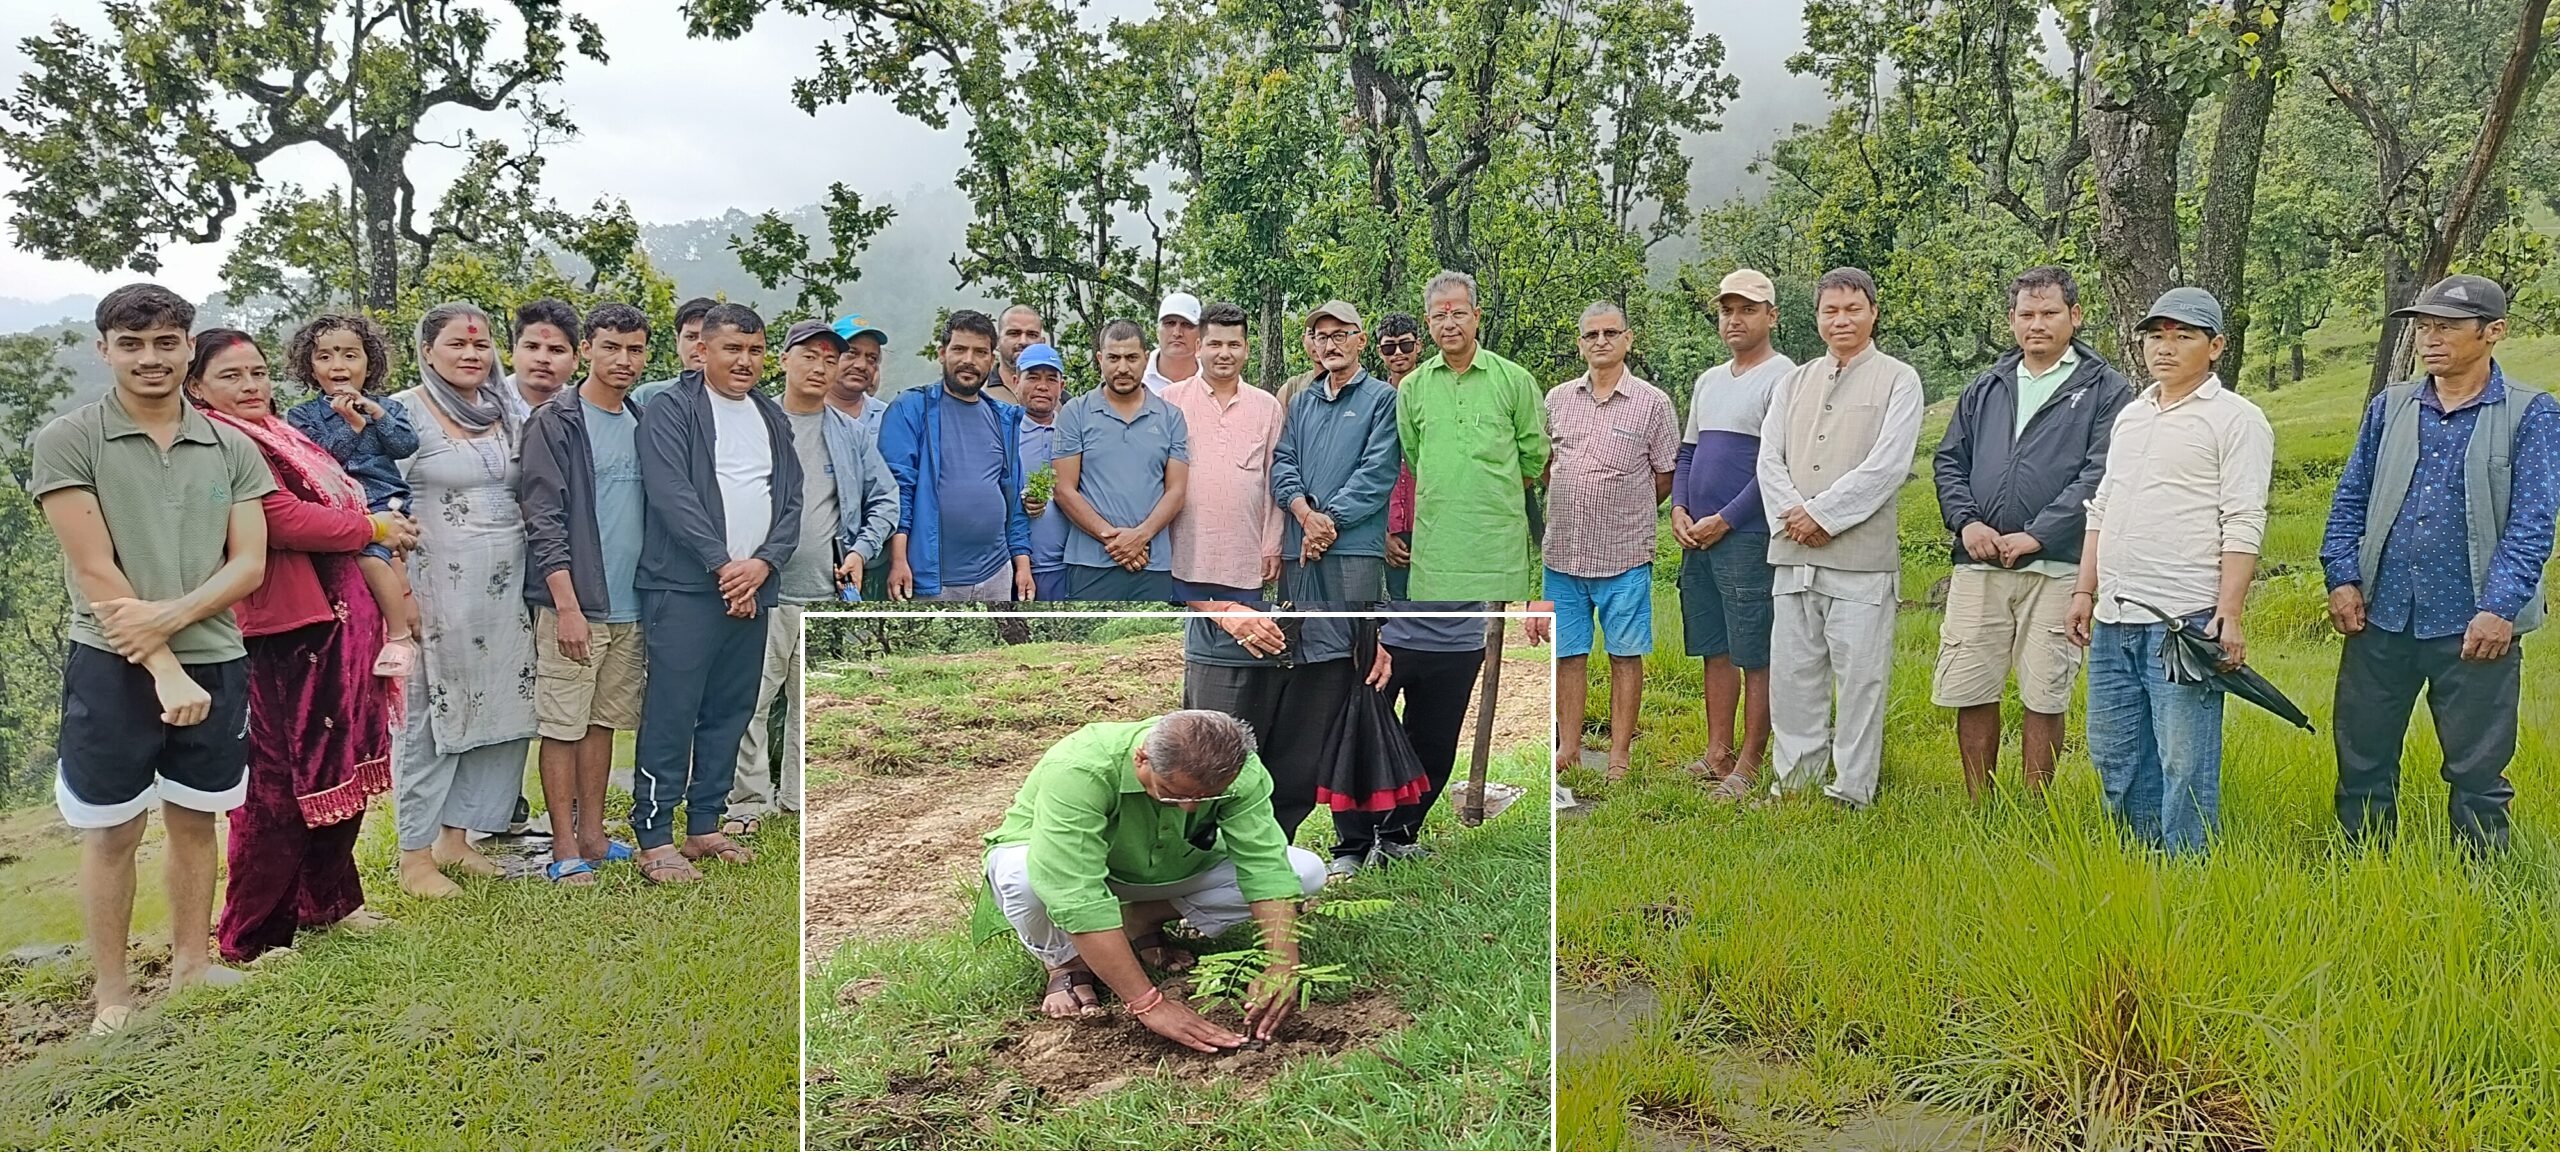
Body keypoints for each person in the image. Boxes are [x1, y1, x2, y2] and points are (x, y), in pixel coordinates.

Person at [35, 284, 274, 1032]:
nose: (150, 358)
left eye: (166, 342)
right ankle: (112, 994)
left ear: (186, 349)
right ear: (104, 349)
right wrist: (162, 664)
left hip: (216, 655)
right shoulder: (69, 440)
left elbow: (249, 565)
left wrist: (173, 621)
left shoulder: (230, 443)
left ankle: (192, 965)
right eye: (131, 344)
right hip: (112, 659)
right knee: (113, 828)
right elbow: (96, 569)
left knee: (198, 817)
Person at [183, 330, 410, 959]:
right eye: (232, 377)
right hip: (281, 631)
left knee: (342, 766)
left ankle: (329, 902)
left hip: (338, 620)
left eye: (258, 373)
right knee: (279, 788)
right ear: (197, 387)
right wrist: (372, 526)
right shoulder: (213, 442)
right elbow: (281, 520)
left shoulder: (280, 432)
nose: (252, 386)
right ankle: (253, 935)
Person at [2321, 274, 2557, 853]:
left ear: (2493, 332)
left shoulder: (2531, 413)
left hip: (2475, 625)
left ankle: (2481, 881)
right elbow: (2351, 495)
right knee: (2363, 757)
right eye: (2424, 326)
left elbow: (2533, 521)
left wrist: (2500, 608)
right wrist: (2342, 576)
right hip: (2382, 614)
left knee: (2478, 773)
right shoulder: (2392, 406)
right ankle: (2362, 870)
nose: (2430, 338)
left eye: (2447, 327)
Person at [979, 710, 1328, 1048]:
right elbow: (1073, 891)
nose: (1190, 809)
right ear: (1141, 758)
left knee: (1305, 872)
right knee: (1022, 877)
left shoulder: (1239, 769)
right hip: (1072, 866)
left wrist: (1283, 965)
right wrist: (1149, 1003)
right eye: (1173, 792)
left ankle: (1143, 917)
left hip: (1171, 862)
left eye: (1206, 799)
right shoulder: (1080, 767)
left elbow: (1265, 866)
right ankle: (1065, 963)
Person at [2065, 288, 2273, 854]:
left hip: (2184, 618)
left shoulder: (2237, 420)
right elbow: (2102, 505)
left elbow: (2244, 517)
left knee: (2184, 756)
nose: (2166, 347)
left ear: (2216, 346)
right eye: (2156, 335)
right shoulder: (2132, 417)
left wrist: (2228, 613)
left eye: (2183, 336)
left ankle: (2188, 872)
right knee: (2115, 750)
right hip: (2116, 612)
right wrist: (2085, 589)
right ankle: (2135, 856)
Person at [1930, 266, 2133, 801]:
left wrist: (2039, 534)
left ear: (2075, 316)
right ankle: (1981, 802)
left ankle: (2036, 806)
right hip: (1979, 562)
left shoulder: (2104, 390)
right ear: (2012, 321)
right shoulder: (1988, 385)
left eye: (2049, 313)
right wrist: (1967, 522)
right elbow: (1950, 461)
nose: (2037, 324)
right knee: (1972, 681)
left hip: (2061, 563)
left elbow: (2101, 472)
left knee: (2046, 689)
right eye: (2026, 314)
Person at [632, 303, 803, 882]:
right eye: (732, 349)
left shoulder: (771, 417)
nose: (745, 361)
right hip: (684, 588)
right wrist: (723, 565)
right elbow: (670, 492)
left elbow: (790, 500)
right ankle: (655, 837)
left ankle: (705, 824)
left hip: (753, 588)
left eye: (755, 350)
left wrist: (761, 565)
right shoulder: (671, 410)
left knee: (730, 711)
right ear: (702, 350)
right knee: (672, 712)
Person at [386, 301, 540, 898]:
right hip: (434, 589)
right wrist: (399, 593)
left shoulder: (505, 411)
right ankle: (415, 857)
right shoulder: (403, 414)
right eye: (456, 345)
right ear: (427, 352)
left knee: (499, 710)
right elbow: (381, 503)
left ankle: (458, 838)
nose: (471, 355)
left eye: (480, 346)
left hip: (503, 591)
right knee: (430, 718)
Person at [1756, 268, 1925, 810]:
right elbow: (1769, 460)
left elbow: (1888, 466)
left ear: (1873, 312)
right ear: (1817, 317)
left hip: (1859, 558)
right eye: (1831, 310)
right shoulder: (1793, 381)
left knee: (1860, 680)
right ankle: (1795, 783)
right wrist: (1793, 515)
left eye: (1853, 308)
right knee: (1793, 676)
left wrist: (1822, 515)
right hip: (1792, 552)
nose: (1841, 320)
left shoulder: (1899, 379)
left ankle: (1852, 790)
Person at [733, 320, 897, 828]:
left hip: (826, 590)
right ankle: (746, 803)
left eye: (830, 359)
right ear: (783, 359)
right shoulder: (752, 423)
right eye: (809, 356)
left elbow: (886, 500)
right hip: (761, 591)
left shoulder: (848, 433)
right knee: (751, 701)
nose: (820, 367)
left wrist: (862, 551)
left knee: (808, 704)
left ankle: (797, 801)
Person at [516, 302, 654, 885]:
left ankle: (596, 836)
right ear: (588, 351)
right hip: (575, 605)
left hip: (630, 604)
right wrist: (566, 606)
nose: (624, 360)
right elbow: (543, 516)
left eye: (636, 349)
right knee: (563, 725)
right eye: (612, 347)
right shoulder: (557, 421)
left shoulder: (641, 420)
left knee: (604, 724)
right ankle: (563, 846)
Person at [1544, 302, 1679, 780]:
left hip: (1623, 553)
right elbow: (1544, 466)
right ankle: (1569, 747)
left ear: (1628, 339)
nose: (1600, 341)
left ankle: (1619, 754)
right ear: (1580, 343)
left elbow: (1665, 476)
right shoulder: (1557, 399)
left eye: (1610, 332)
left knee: (1624, 654)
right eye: (1591, 334)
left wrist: (1625, 505)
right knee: (1568, 653)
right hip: (1562, 553)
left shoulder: (1653, 403)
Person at [1672, 271, 1792, 800]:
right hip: (1697, 537)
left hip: (1745, 536)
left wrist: (1726, 519)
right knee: (1714, 646)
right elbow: (1688, 452)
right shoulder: (1709, 380)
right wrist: (1678, 507)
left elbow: (1775, 467)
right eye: (1727, 310)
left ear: (1771, 315)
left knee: (1754, 650)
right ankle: (1716, 750)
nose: (1735, 320)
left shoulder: (1785, 377)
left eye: (1747, 309)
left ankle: (1750, 758)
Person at [282, 314, 422, 679]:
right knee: (378, 562)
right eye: (325, 356)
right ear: (309, 367)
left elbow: (405, 445)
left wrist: (375, 415)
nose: (338, 365)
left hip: (384, 501)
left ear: (368, 362)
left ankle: (400, 637)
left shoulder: (387, 407)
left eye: (349, 354)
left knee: (371, 558)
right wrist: (353, 428)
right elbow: (322, 460)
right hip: (339, 508)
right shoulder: (303, 416)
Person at [1396, 270, 1549, 600]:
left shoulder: (1515, 380)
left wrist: (1492, 484)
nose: (1449, 324)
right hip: (1436, 549)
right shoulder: (1412, 388)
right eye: (1440, 316)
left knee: (1499, 645)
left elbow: (1534, 455)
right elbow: (1414, 454)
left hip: (1497, 546)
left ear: (1477, 316)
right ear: (1428, 322)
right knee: (1435, 643)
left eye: (1459, 314)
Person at [1180, 608, 1391, 841]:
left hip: (1328, 648)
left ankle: (1270, 865)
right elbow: (1176, 572)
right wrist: (1222, 610)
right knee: (1209, 773)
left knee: (1297, 782)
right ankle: (1192, 865)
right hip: (1229, 648)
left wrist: (1368, 633)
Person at [878, 309, 1036, 602]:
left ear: (991, 359)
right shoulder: (912, 409)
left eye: (980, 352)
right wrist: (898, 561)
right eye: (959, 349)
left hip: (997, 572)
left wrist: (1022, 565)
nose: (969, 360)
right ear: (942, 353)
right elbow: (898, 492)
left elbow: (1013, 499)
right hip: (933, 578)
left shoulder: (1002, 419)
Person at [1327, 607, 1487, 876]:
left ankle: (1398, 836)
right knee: (1361, 741)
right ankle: (1353, 846)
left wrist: (1536, 602)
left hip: (1458, 642)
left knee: (1434, 748)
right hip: (1383, 636)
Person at [1271, 300, 1402, 606]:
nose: (1330, 345)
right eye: (1322, 337)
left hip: (1353, 548)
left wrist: (1326, 523)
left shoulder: (1383, 399)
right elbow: (1282, 463)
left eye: (1340, 335)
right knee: (1296, 645)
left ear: (1362, 339)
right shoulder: (1302, 402)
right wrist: (1305, 516)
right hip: (1299, 544)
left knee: (1354, 646)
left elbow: (1376, 474)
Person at [1054, 329, 1190, 601]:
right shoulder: (1076, 413)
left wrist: (1141, 536)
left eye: (1131, 357)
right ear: (1100, 359)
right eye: (1114, 358)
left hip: (1153, 563)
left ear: (1146, 358)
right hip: (1090, 563)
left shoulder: (1170, 417)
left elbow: (1176, 492)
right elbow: (1063, 489)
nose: (1123, 367)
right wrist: (1114, 540)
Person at [1164, 311, 1284, 603]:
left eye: (1234, 345)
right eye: (1215, 344)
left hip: (1244, 561)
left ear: (1246, 349)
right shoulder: (1169, 401)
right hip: (1180, 560)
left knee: (1246, 641)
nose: (1224, 353)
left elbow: (1275, 481)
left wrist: (1272, 545)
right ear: (1198, 348)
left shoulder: (1267, 407)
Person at [1015, 332, 1073, 600]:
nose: (1042, 386)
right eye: (1033, 377)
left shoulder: (1076, 432)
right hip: (1020, 567)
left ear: (1062, 386)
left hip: (1074, 566)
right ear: (1016, 382)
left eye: (1051, 379)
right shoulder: (1004, 434)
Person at [1374, 312, 1426, 599]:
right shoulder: (1373, 400)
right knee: (1399, 604)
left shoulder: (1436, 392)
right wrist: (1382, 534)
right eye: (1388, 347)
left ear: (1419, 346)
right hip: (1390, 524)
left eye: (1405, 345)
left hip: (1433, 520)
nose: (1397, 354)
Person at [630, 296, 719, 406]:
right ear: (677, 342)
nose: (699, 345)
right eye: (691, 337)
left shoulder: (739, 399)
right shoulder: (647, 396)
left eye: (708, 338)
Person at [504, 297, 581, 420]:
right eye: (532, 347)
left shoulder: (584, 413)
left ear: (575, 359)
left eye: (556, 350)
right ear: (514, 351)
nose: (542, 359)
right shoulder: (483, 402)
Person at [988, 303, 1048, 407]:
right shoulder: (978, 393)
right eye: (1014, 333)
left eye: (1032, 335)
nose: (1023, 341)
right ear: (997, 341)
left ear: (1042, 342)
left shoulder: (1060, 401)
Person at [1143, 292, 1203, 394]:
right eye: (1170, 323)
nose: (1177, 333)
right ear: (1157, 331)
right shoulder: (1137, 375)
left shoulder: (1216, 379)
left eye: (1186, 325)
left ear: (1201, 333)